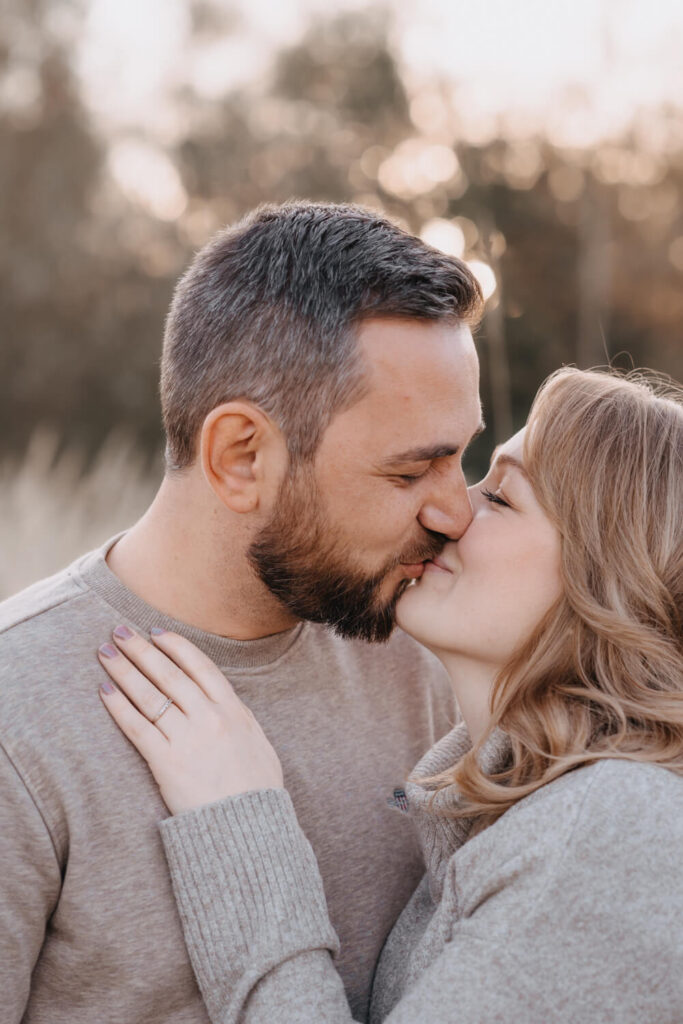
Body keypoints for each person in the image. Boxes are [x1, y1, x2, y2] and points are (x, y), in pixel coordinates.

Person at [0, 201, 485, 1023]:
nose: (456, 513)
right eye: (411, 474)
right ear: (240, 455)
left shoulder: (426, 660)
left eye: (462, 459)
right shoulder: (21, 717)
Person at [98, 367, 683, 1023]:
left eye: (502, 498)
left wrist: (241, 821)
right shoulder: (512, 805)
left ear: (611, 583)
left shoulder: (612, 825)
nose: (452, 511)